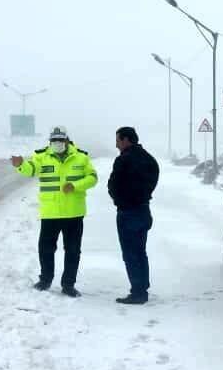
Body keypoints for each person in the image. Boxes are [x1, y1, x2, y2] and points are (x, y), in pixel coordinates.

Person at [11, 126, 98, 297]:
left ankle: (68, 285)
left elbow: (93, 178)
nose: (57, 143)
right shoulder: (41, 156)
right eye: (54, 140)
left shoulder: (81, 157)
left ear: (67, 140)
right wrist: (21, 165)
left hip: (74, 213)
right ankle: (45, 280)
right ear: (50, 141)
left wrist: (75, 185)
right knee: (46, 249)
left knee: (73, 250)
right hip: (50, 213)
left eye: (60, 140)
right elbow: (31, 169)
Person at [107, 127, 159, 304]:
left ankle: (137, 292)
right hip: (144, 210)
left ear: (126, 140)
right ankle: (142, 288)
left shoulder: (123, 160)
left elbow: (112, 185)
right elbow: (153, 180)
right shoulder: (149, 159)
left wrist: (121, 201)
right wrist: (142, 196)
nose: (116, 144)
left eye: (118, 140)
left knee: (130, 254)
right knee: (140, 251)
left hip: (128, 212)